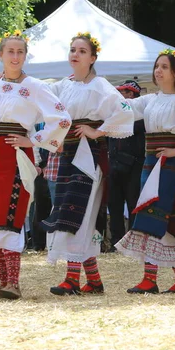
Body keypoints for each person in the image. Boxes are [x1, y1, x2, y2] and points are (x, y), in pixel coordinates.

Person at [0, 30, 71, 299]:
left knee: (10, 214)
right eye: (10, 51)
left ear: (25, 56)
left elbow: (62, 119)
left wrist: (33, 140)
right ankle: (3, 283)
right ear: (1, 54)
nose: (15, 57)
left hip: (15, 155)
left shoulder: (36, 87)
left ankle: (13, 283)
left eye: (20, 52)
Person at [43, 32, 134, 295]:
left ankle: (72, 279)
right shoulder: (64, 85)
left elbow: (124, 111)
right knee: (71, 211)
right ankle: (93, 281)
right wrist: (55, 137)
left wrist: (97, 131)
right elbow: (47, 107)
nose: (75, 54)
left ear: (93, 58)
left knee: (80, 213)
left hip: (89, 156)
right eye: (72, 50)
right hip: (68, 155)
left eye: (82, 51)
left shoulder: (100, 85)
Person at [116, 49, 175, 294]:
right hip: (150, 163)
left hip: (167, 167)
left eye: (164, 67)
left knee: (153, 214)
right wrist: (100, 91)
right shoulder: (150, 100)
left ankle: (150, 279)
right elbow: (125, 106)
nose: (158, 70)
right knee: (166, 219)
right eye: (157, 66)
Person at [107, 80, 146, 249]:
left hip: (134, 165)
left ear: (131, 94)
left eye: (123, 92)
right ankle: (116, 242)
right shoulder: (113, 114)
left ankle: (133, 243)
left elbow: (130, 127)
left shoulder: (141, 115)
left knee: (133, 204)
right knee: (114, 204)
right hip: (113, 164)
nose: (119, 95)